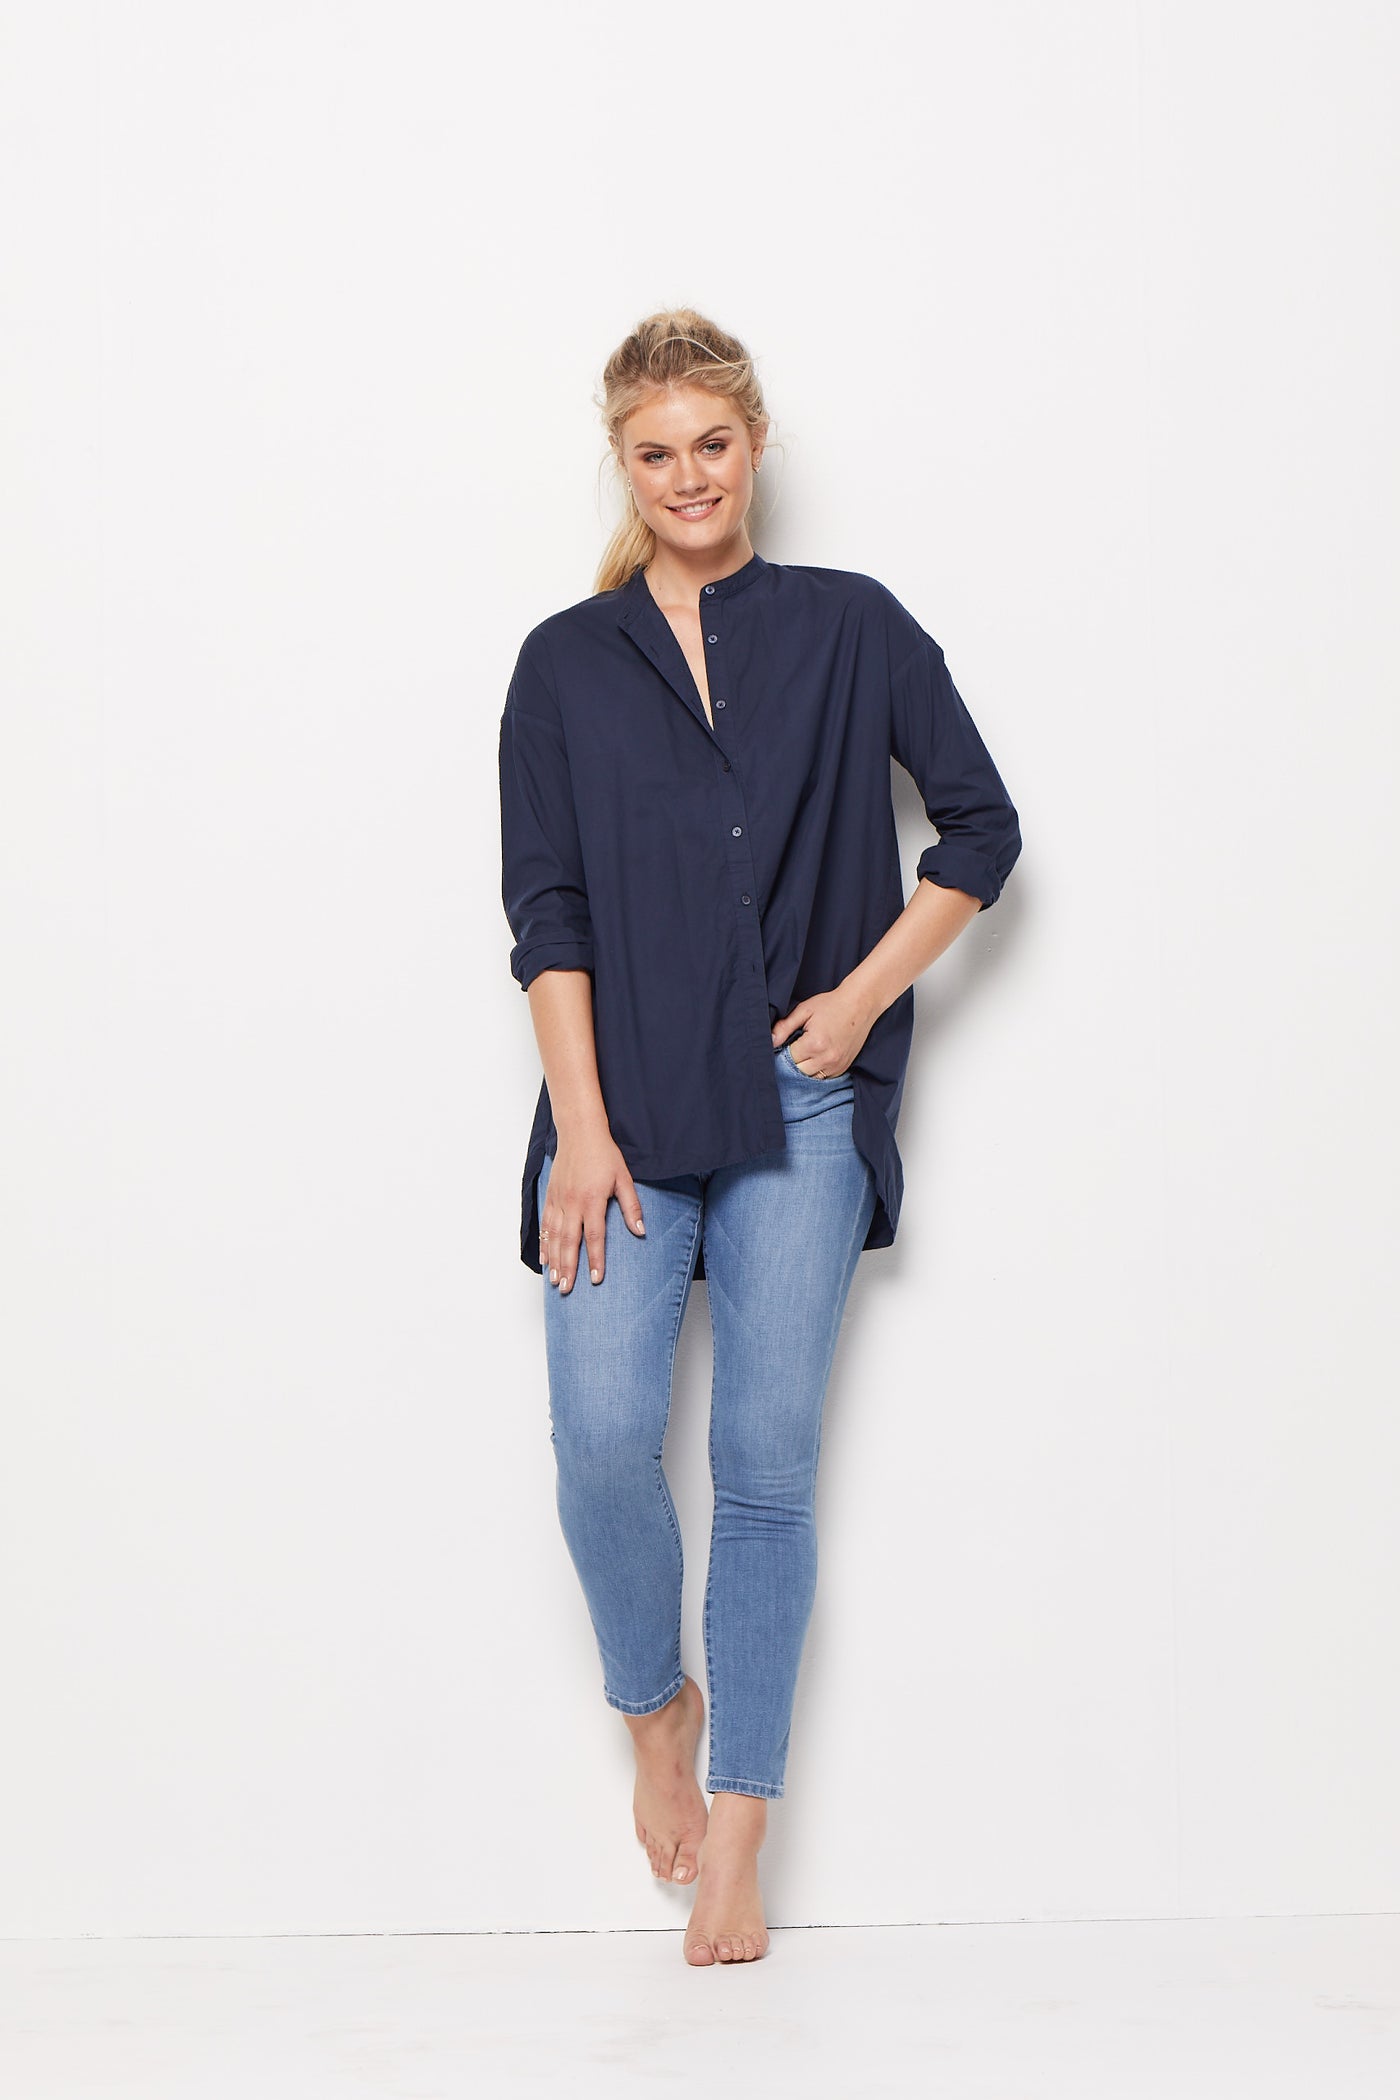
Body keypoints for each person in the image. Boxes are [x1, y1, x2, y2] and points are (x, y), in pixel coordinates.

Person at [498, 307, 1022, 1967]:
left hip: (803, 1109)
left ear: (757, 443)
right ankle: (656, 1705)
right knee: (601, 1443)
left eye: (711, 445)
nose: (687, 478)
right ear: (622, 462)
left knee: (766, 1472)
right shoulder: (563, 665)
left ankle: (739, 1832)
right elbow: (548, 917)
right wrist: (582, 1136)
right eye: (654, 454)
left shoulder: (852, 625)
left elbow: (982, 828)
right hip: (624, 1116)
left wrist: (860, 1000)